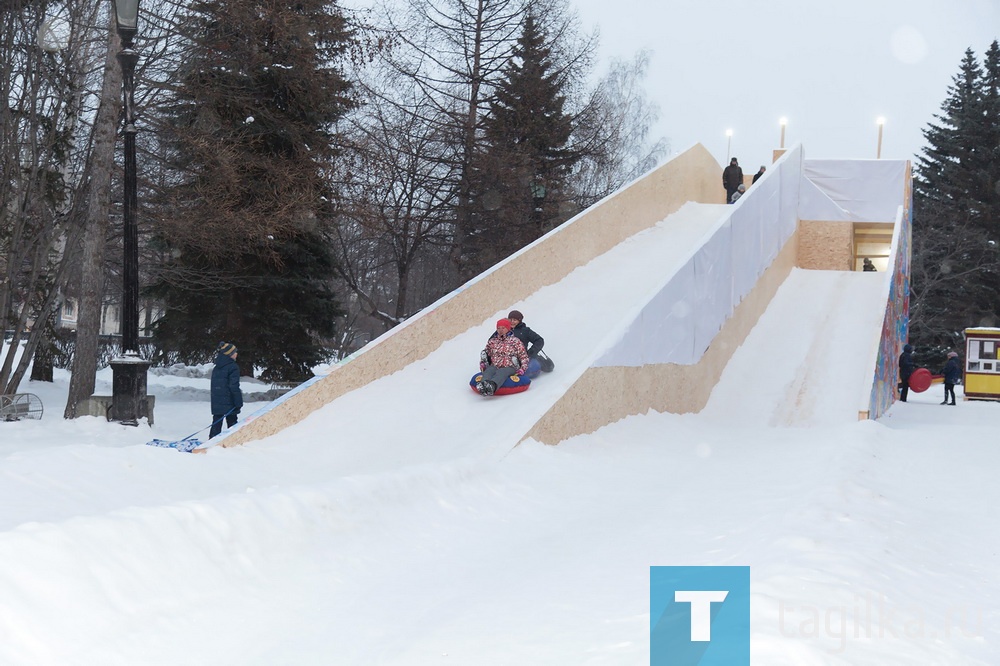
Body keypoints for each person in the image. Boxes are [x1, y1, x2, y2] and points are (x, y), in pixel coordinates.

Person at [477, 319, 529, 396]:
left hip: (510, 366)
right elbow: (486, 354)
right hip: (495, 365)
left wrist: (522, 369)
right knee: (489, 370)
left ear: (508, 328)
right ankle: (483, 386)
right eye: (498, 328)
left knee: (502, 372)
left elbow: (523, 356)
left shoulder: (515, 341)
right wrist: (483, 363)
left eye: (503, 328)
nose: (500, 330)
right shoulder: (493, 341)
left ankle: (492, 386)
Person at [210, 341, 243, 437]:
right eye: (235, 352)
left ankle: (211, 442)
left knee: (216, 423)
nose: (236, 354)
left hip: (217, 400)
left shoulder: (217, 367)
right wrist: (238, 402)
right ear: (230, 354)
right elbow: (234, 386)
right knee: (232, 424)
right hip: (229, 401)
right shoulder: (233, 367)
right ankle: (233, 441)